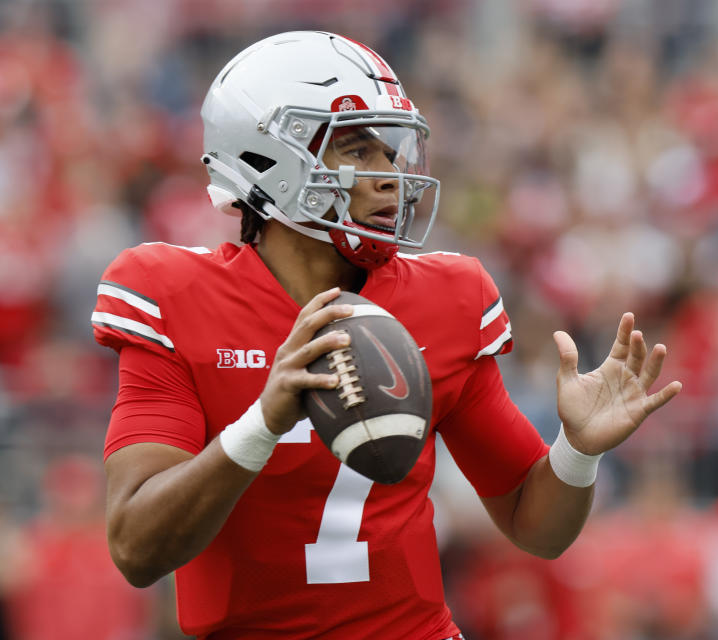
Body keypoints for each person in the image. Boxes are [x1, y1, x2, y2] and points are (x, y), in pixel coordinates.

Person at [92, 31, 682, 640]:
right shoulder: (173, 294)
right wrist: (262, 423)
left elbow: (535, 525)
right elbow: (137, 548)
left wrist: (578, 451)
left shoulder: (446, 298)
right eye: (355, 150)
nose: (389, 177)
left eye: (388, 151)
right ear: (266, 158)